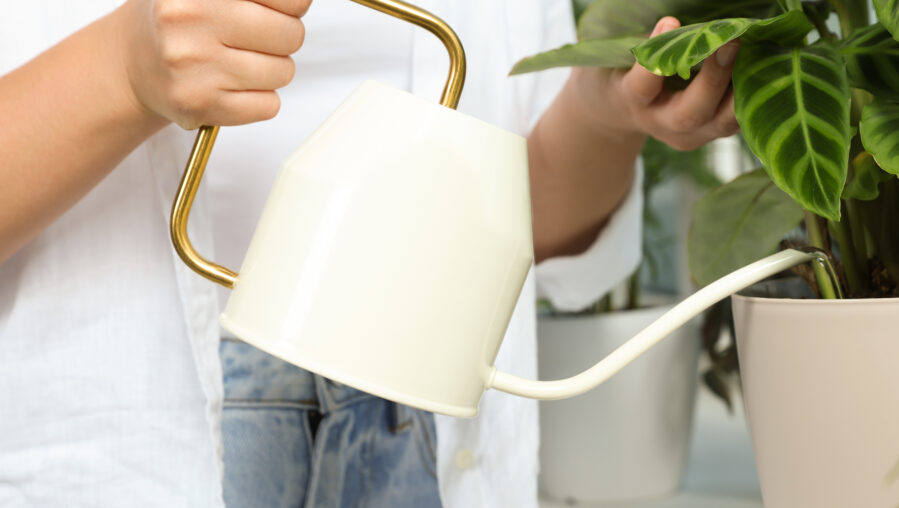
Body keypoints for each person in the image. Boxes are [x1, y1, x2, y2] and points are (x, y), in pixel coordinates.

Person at [0, 0, 740, 506]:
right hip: (125, 450)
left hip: (426, 430)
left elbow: (518, 228)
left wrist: (602, 119)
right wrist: (120, 72)